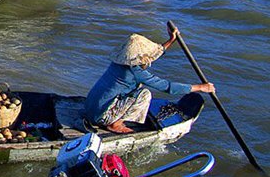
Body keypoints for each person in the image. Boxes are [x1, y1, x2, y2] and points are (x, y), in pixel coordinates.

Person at [85, 27, 215, 134]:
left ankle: (115, 119)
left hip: (90, 108)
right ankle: (115, 124)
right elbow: (167, 87)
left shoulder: (117, 64)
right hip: (101, 116)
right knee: (144, 94)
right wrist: (201, 87)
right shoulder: (135, 71)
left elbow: (150, 56)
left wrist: (171, 40)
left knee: (132, 93)